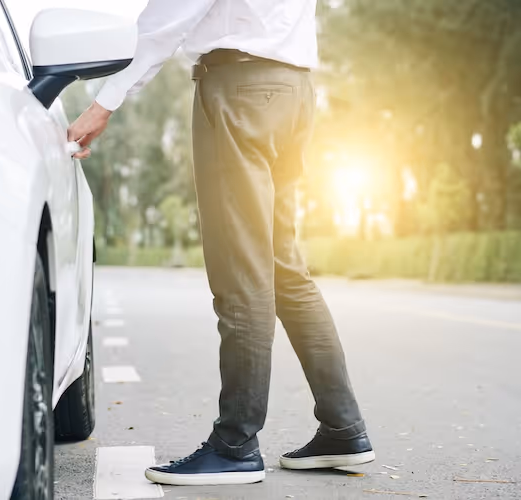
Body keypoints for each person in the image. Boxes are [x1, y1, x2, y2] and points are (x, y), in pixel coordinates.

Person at [68, 0, 375, 487]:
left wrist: (103, 103)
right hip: (293, 90)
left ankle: (235, 445)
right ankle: (343, 428)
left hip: (239, 89)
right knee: (283, 267)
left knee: (241, 269)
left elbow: (165, 20)